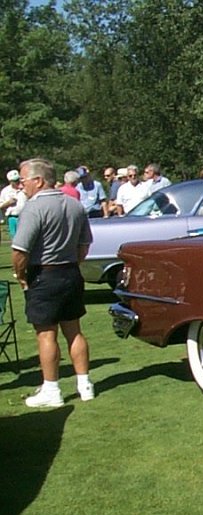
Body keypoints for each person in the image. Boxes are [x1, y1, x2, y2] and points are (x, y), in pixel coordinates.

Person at [10, 157, 94, 407]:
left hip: (44, 275)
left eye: (24, 179)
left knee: (46, 334)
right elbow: (84, 245)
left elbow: (20, 251)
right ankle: (85, 384)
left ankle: (52, 389)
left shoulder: (34, 208)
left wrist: (21, 276)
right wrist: (73, 263)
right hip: (70, 273)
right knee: (74, 330)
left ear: (38, 180)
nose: (22, 184)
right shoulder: (74, 205)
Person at [1, 170, 26, 240]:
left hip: (25, 217)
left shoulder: (25, 188)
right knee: (15, 239)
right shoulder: (5, 191)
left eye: (18, 179)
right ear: (10, 181)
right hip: (12, 217)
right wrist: (8, 203)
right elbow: (1, 205)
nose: (17, 182)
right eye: (14, 180)